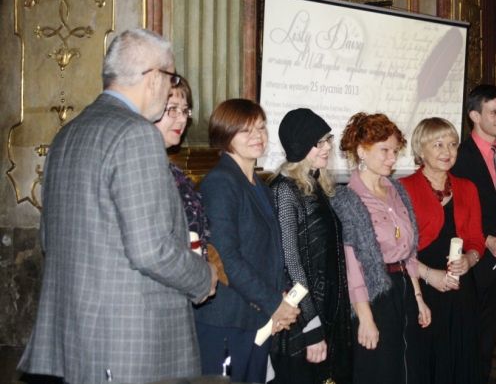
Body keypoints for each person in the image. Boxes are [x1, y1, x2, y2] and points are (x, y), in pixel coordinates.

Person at [17, 28, 217, 384]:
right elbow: (151, 250)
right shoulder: (136, 134)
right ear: (152, 78)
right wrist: (204, 277)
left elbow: (49, 238)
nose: (170, 87)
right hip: (131, 343)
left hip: (75, 339)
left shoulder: (67, 134)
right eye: (171, 78)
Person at [195, 98, 300, 383]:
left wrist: (281, 298)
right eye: (246, 130)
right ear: (225, 135)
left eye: (261, 127)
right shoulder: (220, 182)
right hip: (227, 320)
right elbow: (226, 258)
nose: (258, 136)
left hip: (255, 318)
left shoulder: (259, 185)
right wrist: (272, 302)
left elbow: (270, 253)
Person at [330, 112, 431, 384]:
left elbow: (409, 252)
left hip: (404, 291)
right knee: (379, 373)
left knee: (410, 372)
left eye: (395, 151)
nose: (392, 158)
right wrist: (365, 318)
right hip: (374, 297)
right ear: (362, 151)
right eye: (384, 150)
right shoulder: (347, 199)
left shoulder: (397, 190)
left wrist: (419, 298)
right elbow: (352, 267)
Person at [268, 108, 353, 384]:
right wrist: (311, 323)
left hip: (327, 309)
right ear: (300, 145)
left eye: (328, 139)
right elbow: (290, 263)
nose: (327, 147)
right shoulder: (284, 190)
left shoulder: (315, 184)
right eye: (319, 142)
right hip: (302, 320)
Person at [399, 117, 486, 384]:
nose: (447, 151)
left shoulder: (467, 187)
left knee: (461, 363)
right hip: (421, 286)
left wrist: (469, 260)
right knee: (425, 364)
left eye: (452, 144)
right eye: (438, 144)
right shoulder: (403, 188)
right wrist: (429, 275)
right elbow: (398, 251)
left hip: (461, 290)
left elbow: (476, 240)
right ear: (420, 149)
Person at [451, 84, 496, 383]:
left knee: (487, 339)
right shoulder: (458, 156)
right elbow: (454, 211)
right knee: (464, 338)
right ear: (474, 116)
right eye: (495, 112)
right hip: (467, 260)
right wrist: (485, 239)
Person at [154, 77, 210, 258]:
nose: (182, 119)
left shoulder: (173, 171)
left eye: (185, 110)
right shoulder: (144, 170)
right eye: (172, 109)